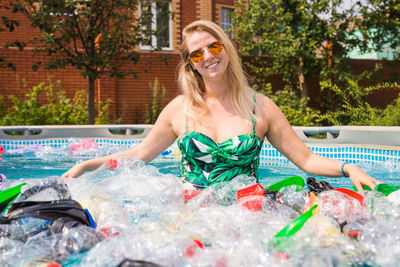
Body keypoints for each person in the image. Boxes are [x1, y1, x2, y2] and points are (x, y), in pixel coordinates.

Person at [62, 20, 381, 192]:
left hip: (248, 210)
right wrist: (85, 166)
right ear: (191, 65)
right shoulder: (178, 109)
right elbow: (138, 156)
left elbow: (307, 159)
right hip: (189, 211)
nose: (208, 56)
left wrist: (348, 167)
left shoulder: (261, 107)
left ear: (226, 48)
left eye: (213, 46)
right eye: (197, 54)